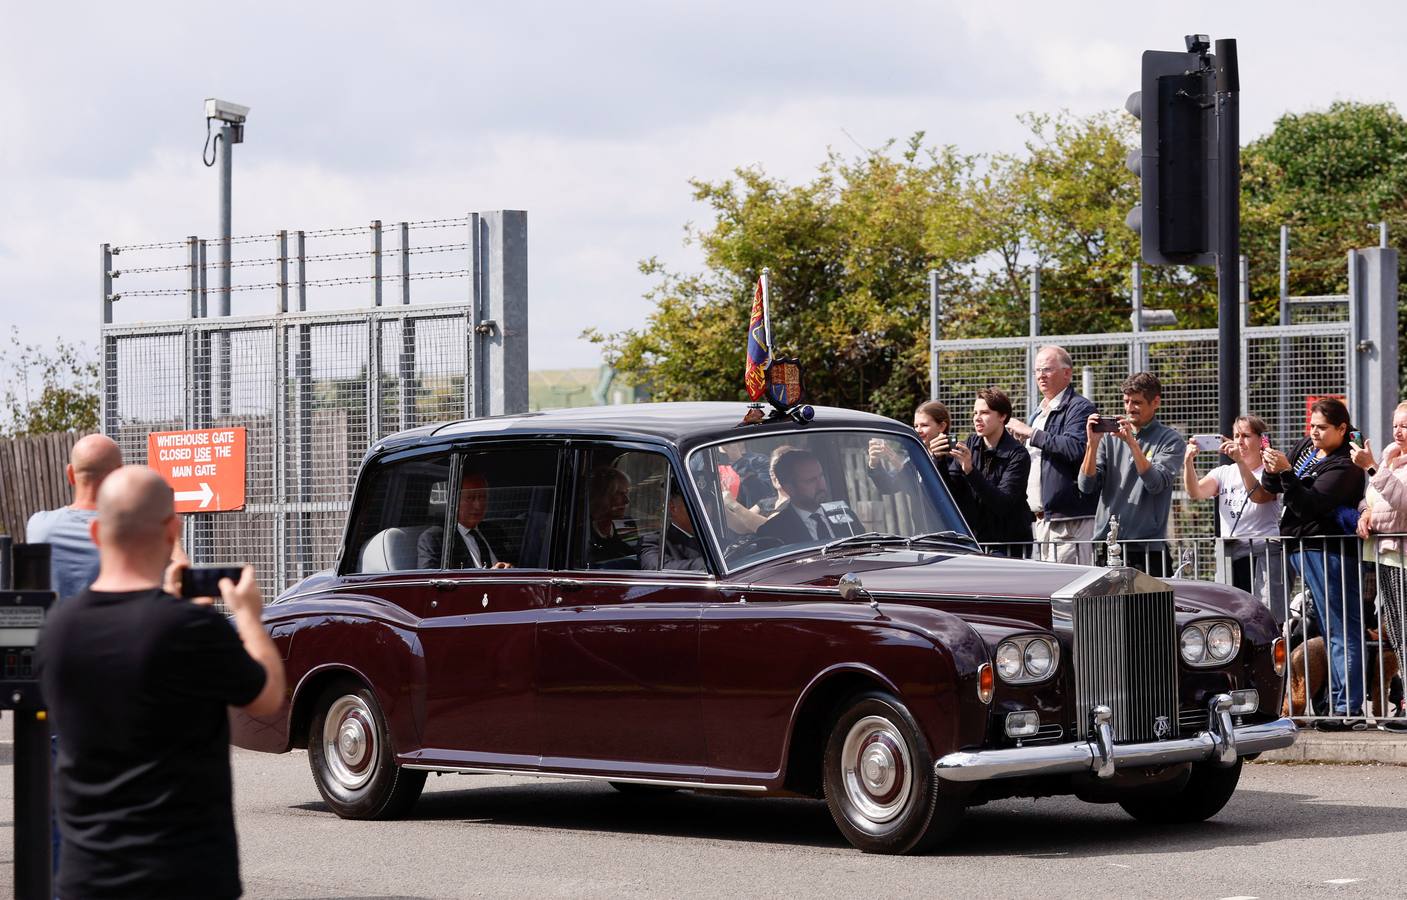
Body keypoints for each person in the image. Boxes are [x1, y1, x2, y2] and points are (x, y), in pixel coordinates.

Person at [36, 466, 285, 899]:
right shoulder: (191, 627)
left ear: (96, 533)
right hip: (183, 875)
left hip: (86, 877)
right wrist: (248, 616)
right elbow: (266, 698)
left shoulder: (56, 631)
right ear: (172, 531)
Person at [1262, 397, 1367, 725]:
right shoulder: (1306, 447)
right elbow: (1271, 486)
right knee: (1323, 626)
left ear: (1341, 428)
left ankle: (1347, 707)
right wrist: (1272, 469)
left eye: (1322, 428)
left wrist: (1288, 474)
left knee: (1340, 626)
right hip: (1299, 547)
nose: (1314, 433)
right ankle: (1333, 704)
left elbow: (1310, 505)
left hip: (1328, 552)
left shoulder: (1346, 464)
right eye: (1312, 426)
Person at [1077, 371, 1184, 576]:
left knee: (1149, 609)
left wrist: (1132, 444)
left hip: (1148, 549)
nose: (1129, 408)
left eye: (1137, 402)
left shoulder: (1171, 439)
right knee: (1105, 609)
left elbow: (1156, 483)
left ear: (1155, 402)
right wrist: (1092, 444)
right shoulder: (1109, 438)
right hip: (1107, 545)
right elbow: (1086, 486)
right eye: (1126, 401)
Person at [1182, 415, 1285, 619]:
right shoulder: (1224, 472)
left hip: (1262, 552)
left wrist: (1240, 462)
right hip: (1231, 552)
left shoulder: (1271, 470)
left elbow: (1260, 496)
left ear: (1261, 440)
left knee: (1265, 613)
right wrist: (1188, 463)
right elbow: (1196, 492)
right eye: (1236, 435)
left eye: (1246, 436)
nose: (1239, 441)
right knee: (1230, 615)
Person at [1007, 345, 1099, 565]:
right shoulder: (1037, 414)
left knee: (1071, 591)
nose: (1041, 375)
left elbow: (1076, 448)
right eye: (1037, 370)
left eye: (1047, 369)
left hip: (1069, 522)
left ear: (1067, 373)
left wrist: (1031, 433)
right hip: (1040, 521)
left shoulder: (1080, 408)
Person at [1349, 402, 1407, 730]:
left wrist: (1371, 467)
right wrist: (1364, 514)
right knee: (1397, 636)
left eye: (1405, 426)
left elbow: (1403, 501)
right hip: (1382, 554)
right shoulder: (1388, 457)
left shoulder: (1380, 464)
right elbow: (1371, 498)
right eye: (1396, 424)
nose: (1398, 431)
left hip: (1402, 555)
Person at [25, 433, 123, 601]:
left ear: (70, 474)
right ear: (119, 475)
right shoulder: (132, 532)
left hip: (53, 626)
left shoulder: (38, 526)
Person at [949, 388, 1033, 556]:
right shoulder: (970, 444)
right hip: (974, 541)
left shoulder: (1018, 454)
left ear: (1002, 416)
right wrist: (938, 460)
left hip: (1008, 544)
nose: (977, 418)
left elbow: (1003, 503)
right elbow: (951, 489)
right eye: (975, 413)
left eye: (985, 413)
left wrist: (971, 471)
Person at [758, 448, 858, 545]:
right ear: (789, 488)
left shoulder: (843, 513)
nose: (821, 485)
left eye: (821, 476)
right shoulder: (773, 532)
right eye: (811, 481)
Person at [416, 470, 513, 569]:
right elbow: (430, 579)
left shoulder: (494, 531)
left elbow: (519, 565)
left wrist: (509, 568)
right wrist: (487, 578)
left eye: (482, 497)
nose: (478, 505)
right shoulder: (437, 538)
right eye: (470, 498)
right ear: (455, 500)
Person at [640, 492, 708, 571]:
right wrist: (708, 564)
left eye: (707, 503)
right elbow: (659, 569)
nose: (705, 510)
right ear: (673, 508)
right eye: (697, 503)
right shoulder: (654, 542)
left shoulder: (712, 539)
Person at [587, 466, 637, 564]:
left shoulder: (627, 527)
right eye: (620, 494)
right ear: (603, 496)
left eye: (627, 494)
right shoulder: (585, 532)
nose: (627, 501)